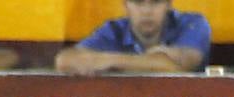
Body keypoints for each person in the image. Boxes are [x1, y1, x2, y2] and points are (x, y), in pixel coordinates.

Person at [54, 0, 211, 75]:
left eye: (155, 2)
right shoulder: (113, 30)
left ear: (169, 4)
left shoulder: (193, 24)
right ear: (125, 5)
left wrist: (106, 62)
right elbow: (64, 60)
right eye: (138, 2)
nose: (147, 11)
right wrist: (156, 60)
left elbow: (184, 65)